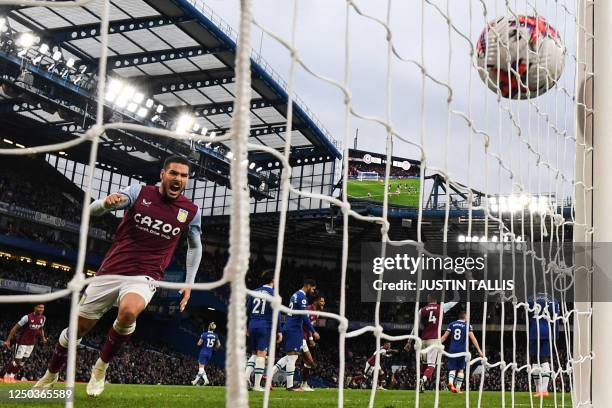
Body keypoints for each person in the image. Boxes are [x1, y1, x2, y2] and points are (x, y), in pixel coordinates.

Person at [34, 155, 203, 397]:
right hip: (110, 271)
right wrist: (106, 203)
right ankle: (51, 373)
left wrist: (189, 282)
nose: (179, 179)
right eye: (174, 173)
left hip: (147, 274)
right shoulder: (138, 192)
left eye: (184, 175)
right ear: (163, 174)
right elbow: (92, 210)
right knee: (77, 331)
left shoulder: (191, 211)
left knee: (129, 312)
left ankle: (100, 369)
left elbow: (196, 246)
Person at [272, 279, 319, 391]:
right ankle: (290, 386)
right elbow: (304, 316)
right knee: (293, 357)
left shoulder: (295, 295)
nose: (313, 291)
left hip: (290, 327)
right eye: (313, 289)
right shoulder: (302, 297)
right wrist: (313, 331)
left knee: (290, 357)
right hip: (294, 329)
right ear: (308, 286)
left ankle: (269, 375)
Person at [404, 295, 457, 392]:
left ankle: (421, 386)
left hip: (423, 340)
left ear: (428, 299)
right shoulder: (441, 307)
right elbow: (455, 301)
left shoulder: (422, 310)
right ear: (436, 299)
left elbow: (415, 327)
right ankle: (422, 381)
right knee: (432, 364)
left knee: (424, 363)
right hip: (434, 340)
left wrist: (409, 341)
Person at [245, 270, 282, 391]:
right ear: (273, 280)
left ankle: (245, 378)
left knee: (254, 353)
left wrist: (246, 326)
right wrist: (279, 331)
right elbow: (277, 314)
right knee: (262, 353)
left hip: (252, 324)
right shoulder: (273, 294)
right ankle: (256, 385)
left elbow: (247, 310)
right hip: (264, 325)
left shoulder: (254, 292)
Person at [440, 309, 484, 393]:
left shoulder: (451, 324)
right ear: (465, 317)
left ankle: (450, 383)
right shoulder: (467, 325)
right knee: (461, 369)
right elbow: (473, 338)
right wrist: (479, 350)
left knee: (452, 368)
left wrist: (437, 344)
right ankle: (458, 388)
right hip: (462, 350)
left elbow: (444, 337)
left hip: (452, 349)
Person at [2, 304, 47, 382]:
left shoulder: (43, 318)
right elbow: (15, 328)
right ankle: (7, 374)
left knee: (23, 362)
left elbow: (41, 329)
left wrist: (43, 338)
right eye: (39, 307)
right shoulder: (27, 317)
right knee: (17, 361)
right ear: (35, 308)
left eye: (42, 308)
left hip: (31, 343)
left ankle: (12, 376)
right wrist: (8, 340)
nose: (41, 309)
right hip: (22, 343)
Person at [528, 293, 560, 398]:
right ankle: (543, 390)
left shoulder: (531, 298)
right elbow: (556, 319)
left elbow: (526, 316)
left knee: (535, 359)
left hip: (534, 330)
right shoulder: (553, 300)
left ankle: (539, 390)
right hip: (547, 331)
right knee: (544, 359)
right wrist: (555, 335)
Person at [299, 293, 325, 391]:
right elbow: (306, 324)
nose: (323, 303)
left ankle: (304, 384)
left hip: (303, 337)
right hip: (299, 336)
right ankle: (303, 384)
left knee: (291, 358)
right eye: (321, 301)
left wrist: (310, 338)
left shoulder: (316, 313)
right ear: (316, 301)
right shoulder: (308, 310)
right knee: (309, 361)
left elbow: (309, 326)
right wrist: (311, 338)